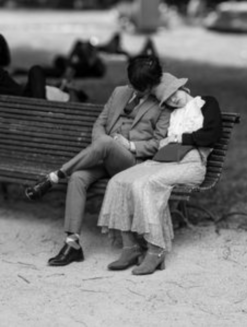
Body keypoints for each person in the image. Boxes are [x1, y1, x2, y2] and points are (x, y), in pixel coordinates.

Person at [25, 55, 171, 267]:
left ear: (152, 84)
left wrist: (128, 145)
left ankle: (54, 176)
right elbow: (99, 124)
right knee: (78, 177)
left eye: (141, 88)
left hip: (133, 163)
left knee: (106, 144)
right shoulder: (119, 92)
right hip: (104, 158)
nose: (135, 90)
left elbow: (158, 143)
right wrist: (101, 144)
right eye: (133, 85)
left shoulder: (163, 103)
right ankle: (72, 243)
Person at [97, 73, 222, 275]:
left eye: (174, 93)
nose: (173, 99)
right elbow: (159, 141)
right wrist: (164, 141)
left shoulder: (205, 103)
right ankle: (130, 247)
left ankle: (156, 250)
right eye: (168, 99)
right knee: (118, 181)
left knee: (148, 184)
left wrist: (180, 138)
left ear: (182, 86)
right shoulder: (171, 114)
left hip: (191, 164)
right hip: (163, 161)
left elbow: (211, 135)